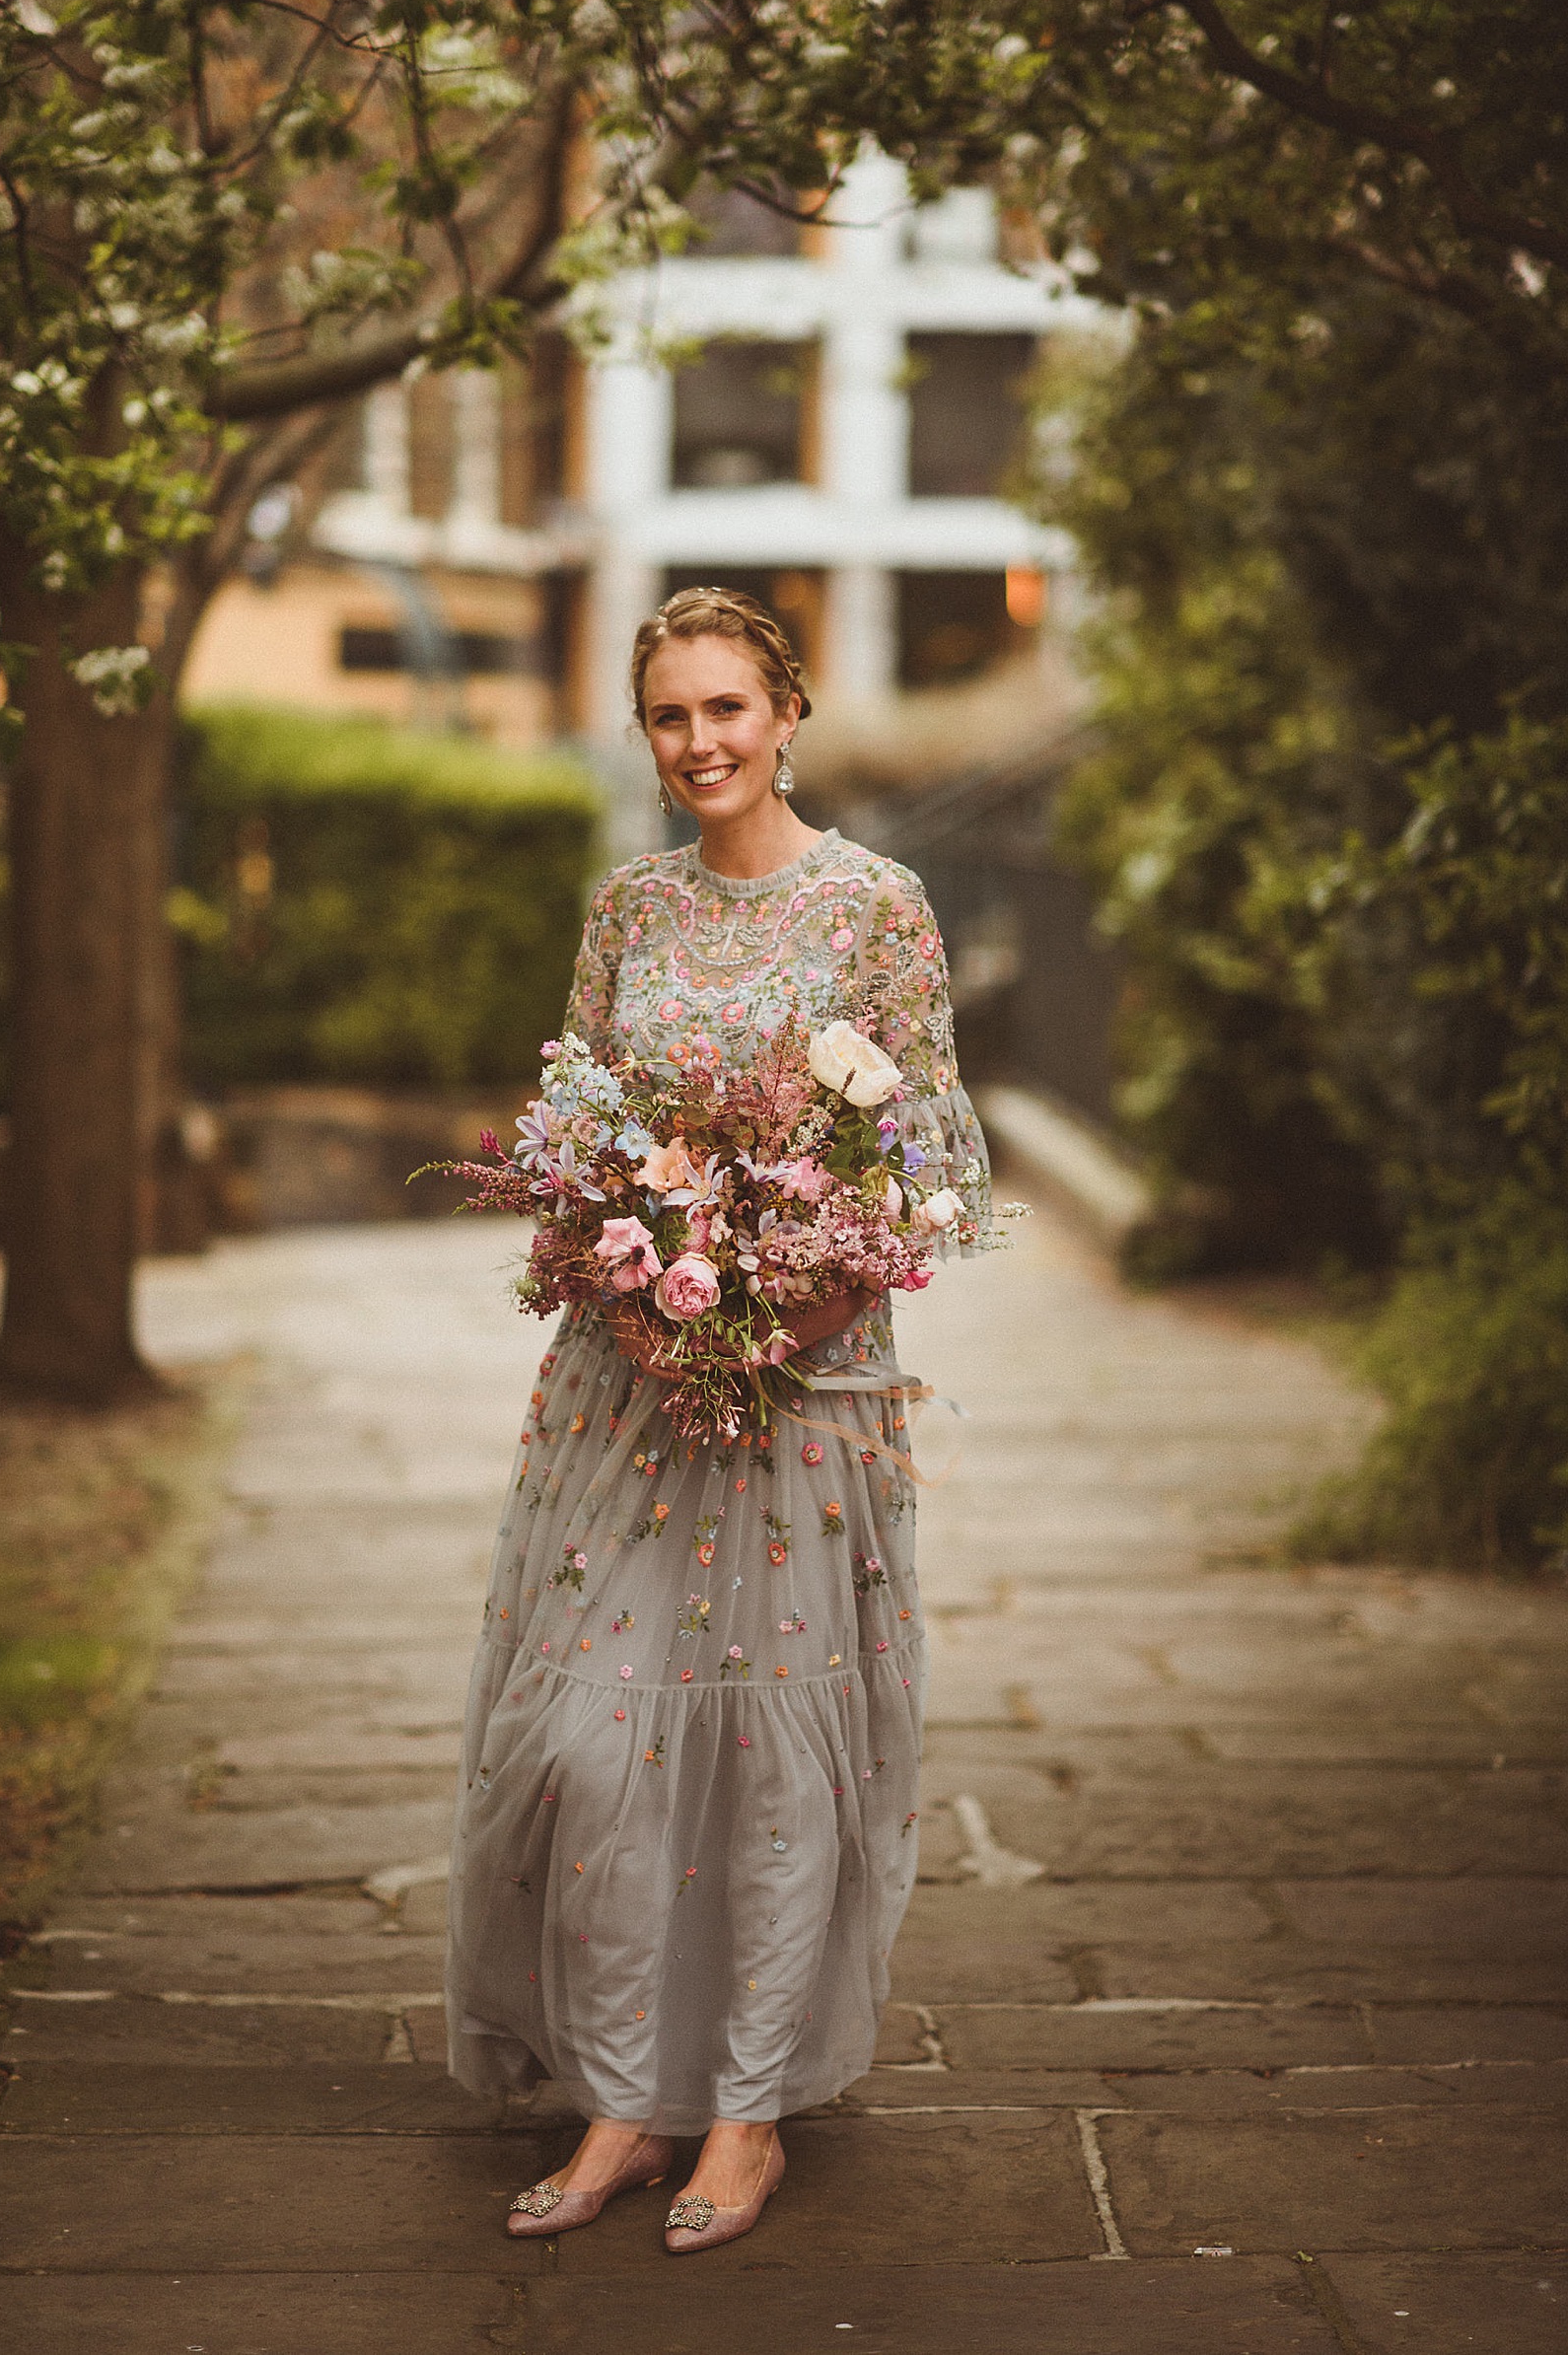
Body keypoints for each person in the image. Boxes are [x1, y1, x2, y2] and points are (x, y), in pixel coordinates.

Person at [445, 587, 991, 2251]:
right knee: (592, 1750)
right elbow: (579, 1137)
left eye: (728, 711)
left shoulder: (878, 913)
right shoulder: (626, 911)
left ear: (790, 711)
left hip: (804, 1405)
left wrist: (790, 1313)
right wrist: (629, 1285)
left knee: (765, 1760)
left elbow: (938, 1162)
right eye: (671, 716)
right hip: (625, 1395)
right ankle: (621, 2099)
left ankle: (742, 2118)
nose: (700, 744)